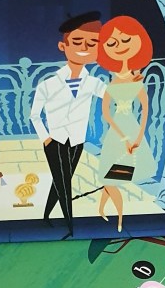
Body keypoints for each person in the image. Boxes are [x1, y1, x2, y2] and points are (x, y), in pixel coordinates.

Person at [30, 13, 105, 239]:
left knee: (61, 181)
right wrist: (46, 138)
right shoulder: (47, 85)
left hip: (77, 140)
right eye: (77, 42)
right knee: (64, 185)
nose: (84, 48)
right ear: (63, 46)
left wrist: (127, 79)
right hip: (55, 141)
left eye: (92, 43)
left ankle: (46, 215)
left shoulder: (93, 83)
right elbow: (34, 115)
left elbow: (112, 97)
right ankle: (70, 227)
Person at [96, 16, 156, 232]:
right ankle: (105, 211)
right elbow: (106, 113)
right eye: (112, 43)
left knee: (110, 178)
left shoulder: (137, 81)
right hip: (117, 133)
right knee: (108, 177)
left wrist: (137, 138)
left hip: (130, 128)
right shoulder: (111, 82)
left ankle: (119, 218)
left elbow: (146, 110)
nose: (119, 47)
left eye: (126, 40)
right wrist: (122, 136)